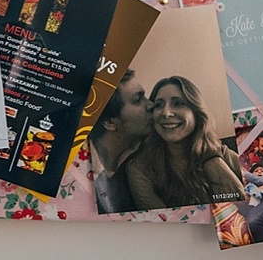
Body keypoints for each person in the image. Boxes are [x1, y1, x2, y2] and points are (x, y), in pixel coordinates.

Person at [117, 74, 246, 211]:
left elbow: (250, 207)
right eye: (159, 105)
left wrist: (213, 161)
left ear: (196, 113)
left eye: (178, 103)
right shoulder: (139, 168)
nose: (166, 113)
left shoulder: (224, 154)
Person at [86, 82, 152, 212]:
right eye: (138, 100)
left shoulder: (151, 150)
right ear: (109, 122)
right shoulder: (73, 169)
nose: (151, 105)